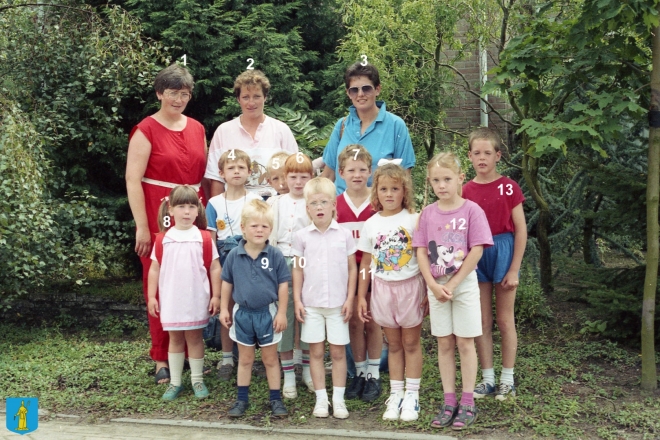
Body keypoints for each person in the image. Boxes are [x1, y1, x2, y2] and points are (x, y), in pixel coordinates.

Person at [126, 64, 207, 385]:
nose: (178, 99)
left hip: (193, 212)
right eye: (172, 92)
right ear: (160, 93)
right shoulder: (145, 129)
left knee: (193, 280)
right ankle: (161, 356)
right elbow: (133, 179)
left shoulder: (198, 128)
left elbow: (202, 175)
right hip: (158, 212)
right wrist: (142, 226)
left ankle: (188, 352)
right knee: (159, 281)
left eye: (184, 94)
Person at [414, 152, 493, 431]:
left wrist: (452, 284)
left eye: (447, 179)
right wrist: (433, 285)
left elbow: (478, 249)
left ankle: (468, 400)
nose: (441, 185)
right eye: (436, 180)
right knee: (444, 343)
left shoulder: (472, 210)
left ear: (460, 178)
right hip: (437, 288)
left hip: (463, 285)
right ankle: (449, 401)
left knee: (465, 342)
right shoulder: (427, 213)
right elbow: (422, 251)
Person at [356, 164, 426, 422]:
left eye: (395, 189)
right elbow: (365, 264)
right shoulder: (371, 224)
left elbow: (424, 256)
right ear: (376, 192)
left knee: (410, 343)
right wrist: (362, 295)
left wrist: (428, 290)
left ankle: (412, 394)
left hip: (410, 287)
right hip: (383, 290)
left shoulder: (414, 219)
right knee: (393, 344)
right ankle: (396, 393)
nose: (389, 194)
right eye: (383, 189)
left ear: (404, 191)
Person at [462, 128, 527, 401]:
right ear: (469, 156)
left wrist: (513, 269)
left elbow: (521, 230)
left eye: (487, 153)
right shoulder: (465, 189)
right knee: (482, 321)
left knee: (504, 319)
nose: (482, 158)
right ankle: (487, 378)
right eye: (476, 153)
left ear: (498, 155)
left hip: (503, 250)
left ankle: (507, 379)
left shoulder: (509, 186)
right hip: (477, 255)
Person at [147, 186, 222, 401]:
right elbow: (155, 268)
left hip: (196, 298)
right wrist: (152, 296)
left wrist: (216, 296)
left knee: (195, 338)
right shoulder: (163, 239)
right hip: (171, 300)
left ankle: (197, 380)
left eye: (191, 207)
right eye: (181, 207)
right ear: (170, 209)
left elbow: (215, 267)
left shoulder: (204, 238)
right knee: (175, 339)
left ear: (198, 211)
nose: (186, 212)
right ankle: (175, 382)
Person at [292, 177, 358, 419]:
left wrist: (350, 298)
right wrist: (298, 300)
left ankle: (338, 400)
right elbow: (297, 268)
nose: (319, 207)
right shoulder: (301, 237)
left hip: (338, 305)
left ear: (333, 205)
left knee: (339, 353)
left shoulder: (344, 235)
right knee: (316, 353)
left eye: (324, 202)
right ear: (307, 208)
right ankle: (321, 399)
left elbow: (353, 268)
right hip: (311, 305)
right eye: (313, 203)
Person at [219, 199, 290, 418]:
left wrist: (281, 312)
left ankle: (276, 400)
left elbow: (283, 285)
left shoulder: (275, 254)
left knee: (270, 359)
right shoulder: (233, 255)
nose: (259, 230)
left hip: (267, 314)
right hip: (243, 314)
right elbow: (227, 283)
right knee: (246, 359)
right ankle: (241, 400)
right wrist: (223, 309)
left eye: (264, 226)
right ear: (243, 228)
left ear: (270, 229)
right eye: (254, 225)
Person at [205, 149, 261, 380]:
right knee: (227, 307)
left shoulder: (256, 200)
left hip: (250, 258)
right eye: (231, 168)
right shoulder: (214, 202)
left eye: (241, 168)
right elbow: (210, 239)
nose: (236, 172)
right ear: (221, 173)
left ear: (249, 172)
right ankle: (227, 357)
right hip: (225, 260)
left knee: (250, 307)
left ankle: (250, 356)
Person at [321, 62, 415, 194]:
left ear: (377, 89)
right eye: (354, 90)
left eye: (366, 88)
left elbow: (405, 178)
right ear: (348, 93)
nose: (360, 94)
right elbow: (328, 175)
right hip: (341, 209)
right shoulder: (341, 126)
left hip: (379, 209)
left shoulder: (395, 126)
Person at [334, 145, 381, 402]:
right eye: (351, 170)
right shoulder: (336, 205)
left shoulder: (378, 202)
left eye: (362, 169)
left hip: (373, 272)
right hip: (347, 274)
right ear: (341, 173)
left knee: (373, 321)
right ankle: (359, 373)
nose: (357, 174)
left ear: (370, 171)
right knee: (354, 322)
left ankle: (374, 373)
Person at [205, 70, 298, 199]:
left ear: (265, 97)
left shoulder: (281, 130)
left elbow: (295, 173)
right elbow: (216, 179)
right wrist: (217, 213)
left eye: (257, 96)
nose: (251, 103)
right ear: (238, 99)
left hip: (276, 206)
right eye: (245, 97)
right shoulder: (223, 131)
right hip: (235, 208)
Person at [268, 153, 315, 398]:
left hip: (306, 262)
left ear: (311, 178)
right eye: (293, 176)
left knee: (306, 314)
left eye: (303, 177)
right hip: (280, 261)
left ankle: (307, 370)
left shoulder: (314, 203)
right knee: (284, 317)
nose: (298, 182)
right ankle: (288, 375)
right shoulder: (275, 203)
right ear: (285, 178)